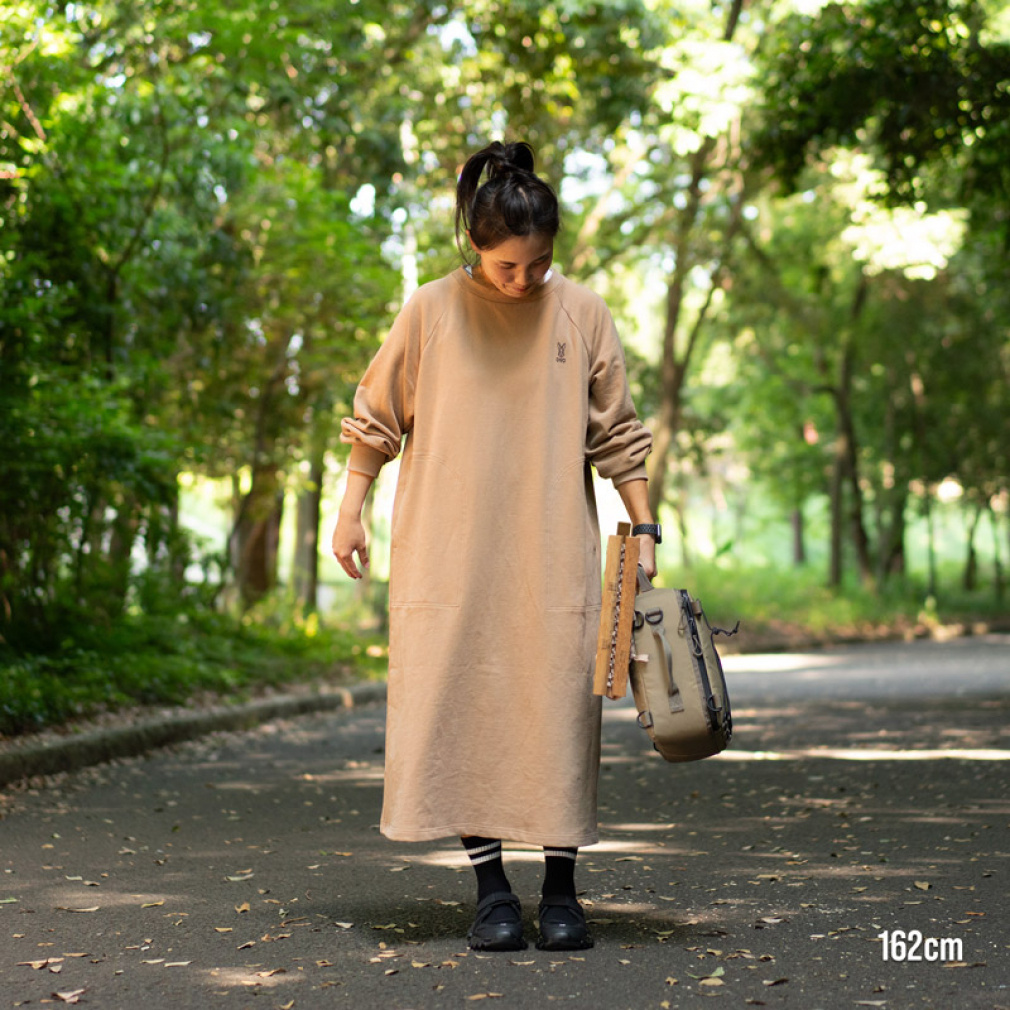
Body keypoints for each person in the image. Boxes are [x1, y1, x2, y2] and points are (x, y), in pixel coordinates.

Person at [331, 140, 659, 953]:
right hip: (448, 552)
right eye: (508, 265)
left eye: (539, 263)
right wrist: (350, 512)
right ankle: (491, 894)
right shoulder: (430, 310)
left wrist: (645, 527)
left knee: (557, 711)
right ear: (474, 245)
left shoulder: (582, 312)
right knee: (463, 707)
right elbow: (376, 419)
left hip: (553, 551)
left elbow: (618, 434)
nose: (523, 279)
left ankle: (561, 891)